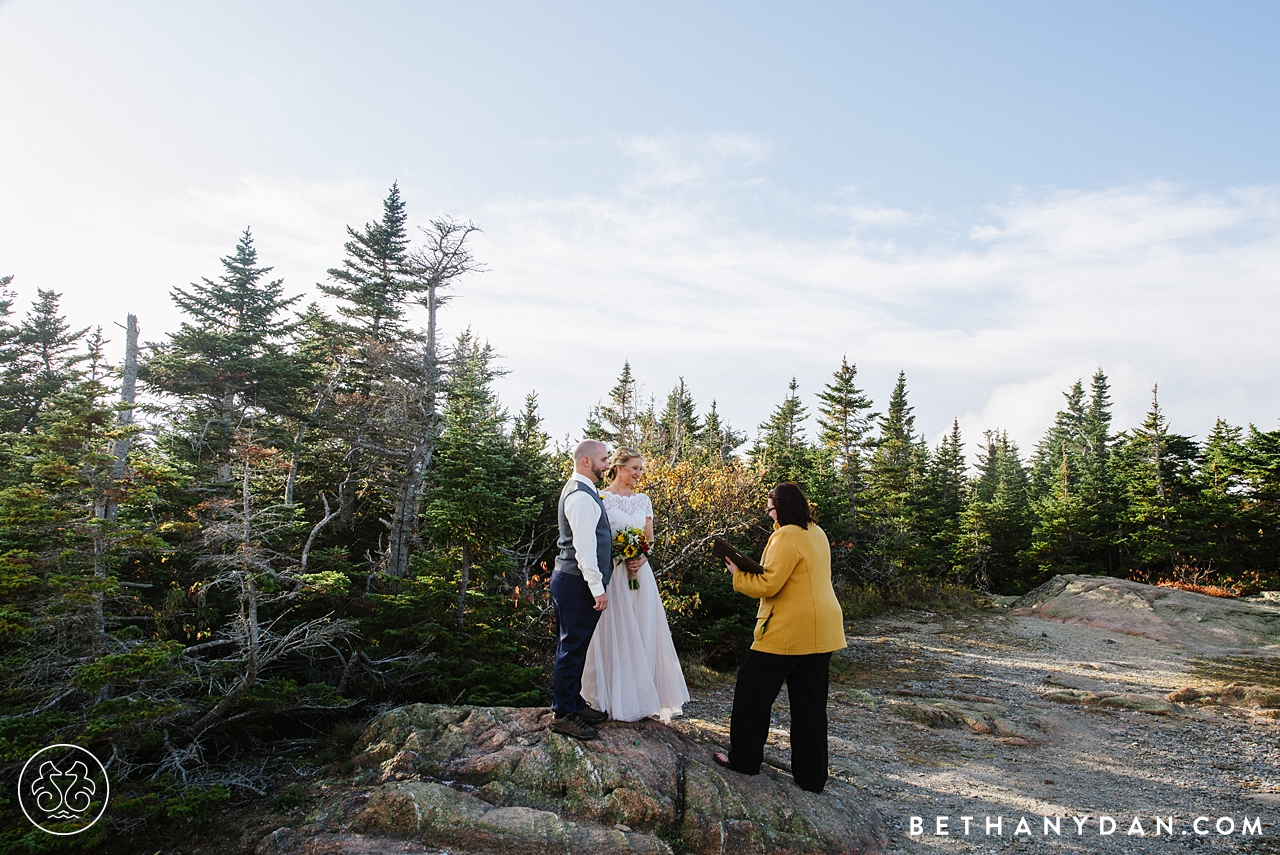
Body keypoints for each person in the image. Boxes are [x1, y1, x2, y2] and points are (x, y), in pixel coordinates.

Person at [715, 482, 846, 793]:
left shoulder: (785, 535)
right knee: (810, 707)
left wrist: (738, 573)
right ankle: (812, 779)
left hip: (789, 630)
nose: (768, 512)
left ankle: (745, 760)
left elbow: (769, 585)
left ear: (783, 508)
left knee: (752, 691)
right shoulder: (817, 531)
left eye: (770, 507)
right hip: (824, 629)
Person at [582, 447, 690, 722]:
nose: (639, 474)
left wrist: (640, 557)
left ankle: (642, 699)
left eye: (641, 469)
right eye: (634, 468)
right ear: (618, 468)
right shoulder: (601, 498)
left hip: (639, 574)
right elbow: (595, 538)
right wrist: (618, 555)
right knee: (615, 632)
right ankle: (609, 698)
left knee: (642, 631)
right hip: (614, 574)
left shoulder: (643, 500)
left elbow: (649, 539)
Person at [549, 439, 614, 741]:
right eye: (603, 460)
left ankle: (574, 702)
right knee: (571, 649)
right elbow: (584, 549)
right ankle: (563, 714)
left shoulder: (583, 491)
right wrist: (597, 589)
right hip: (577, 583)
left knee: (575, 647)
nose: (607, 465)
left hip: (573, 581)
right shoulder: (580, 496)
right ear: (586, 462)